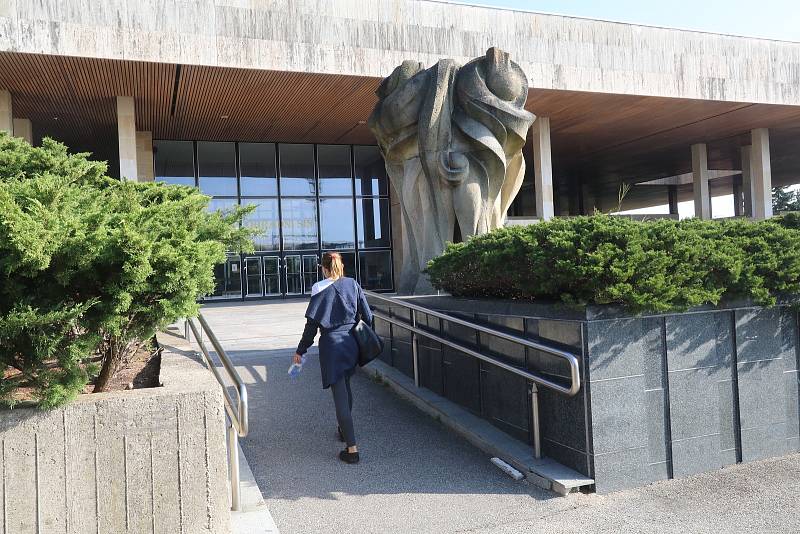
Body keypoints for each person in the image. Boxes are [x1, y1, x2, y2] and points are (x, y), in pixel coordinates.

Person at [293, 251, 373, 464]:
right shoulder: (353, 284)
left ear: (324, 268)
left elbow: (311, 326)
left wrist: (301, 350)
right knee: (346, 386)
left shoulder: (319, 288)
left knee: (339, 396)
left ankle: (352, 449)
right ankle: (343, 429)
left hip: (331, 347)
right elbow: (369, 316)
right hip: (351, 344)